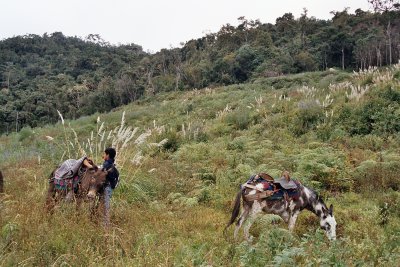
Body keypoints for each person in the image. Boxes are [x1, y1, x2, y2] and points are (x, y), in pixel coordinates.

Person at [100, 147, 119, 226]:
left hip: (107, 187)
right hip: (109, 187)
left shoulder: (107, 164)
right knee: (104, 204)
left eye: (104, 154)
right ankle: (104, 222)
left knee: (106, 205)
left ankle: (106, 225)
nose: (103, 155)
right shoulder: (111, 164)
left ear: (108, 155)